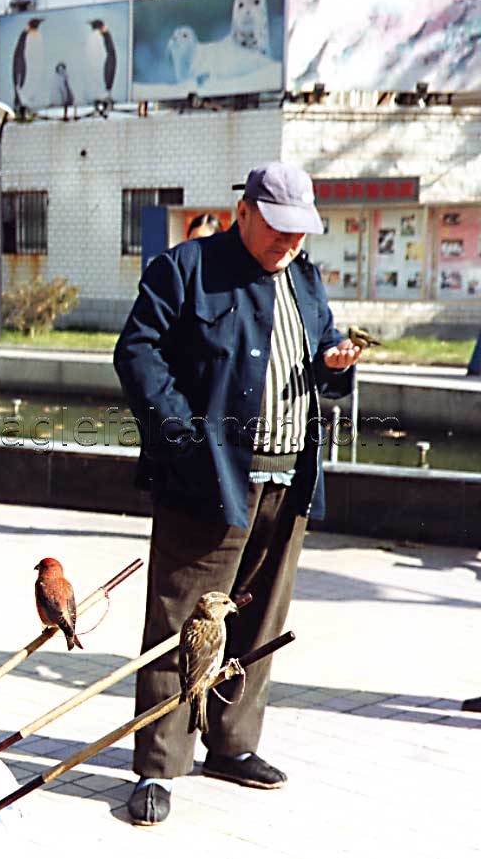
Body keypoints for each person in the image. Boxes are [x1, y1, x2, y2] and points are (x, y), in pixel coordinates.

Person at [114, 160, 362, 826]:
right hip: (208, 478)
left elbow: (318, 357)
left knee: (258, 621)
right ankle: (158, 764)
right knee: (182, 622)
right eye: (279, 230)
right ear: (244, 211)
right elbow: (137, 353)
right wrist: (184, 439)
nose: (290, 245)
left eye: (300, 233)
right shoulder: (187, 267)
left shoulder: (305, 280)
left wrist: (334, 362)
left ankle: (231, 745)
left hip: (290, 477)